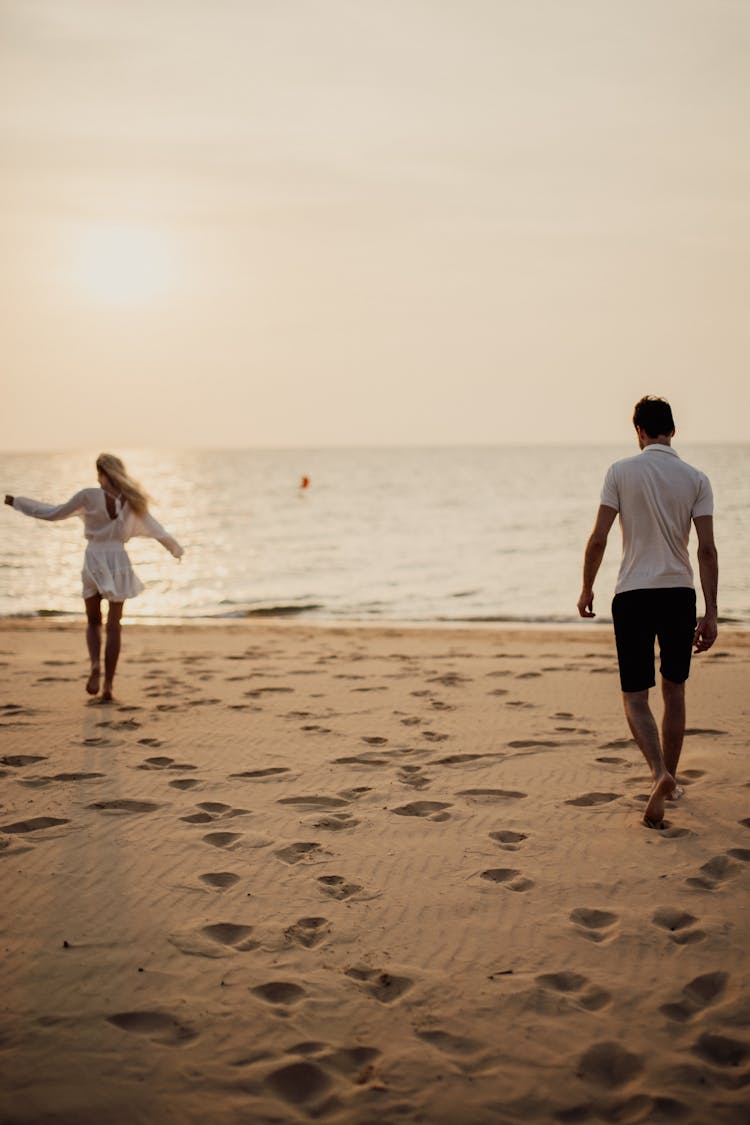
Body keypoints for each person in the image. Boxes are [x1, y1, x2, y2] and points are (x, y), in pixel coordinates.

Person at [577, 397, 718, 829]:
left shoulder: (620, 472)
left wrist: (586, 587)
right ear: (672, 431)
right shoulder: (696, 478)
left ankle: (658, 773)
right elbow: (707, 550)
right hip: (678, 593)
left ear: (638, 430)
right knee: (673, 691)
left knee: (635, 697)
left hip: (633, 594)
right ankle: (671, 784)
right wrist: (711, 612)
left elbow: (599, 538)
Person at [5, 453, 183, 702]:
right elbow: (156, 528)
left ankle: (94, 668)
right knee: (114, 626)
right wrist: (176, 549)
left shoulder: (88, 495)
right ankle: (109, 686)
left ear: (101, 473)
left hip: (93, 559)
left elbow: (53, 513)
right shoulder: (132, 500)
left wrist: (17, 502)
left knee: (93, 622)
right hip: (119, 560)